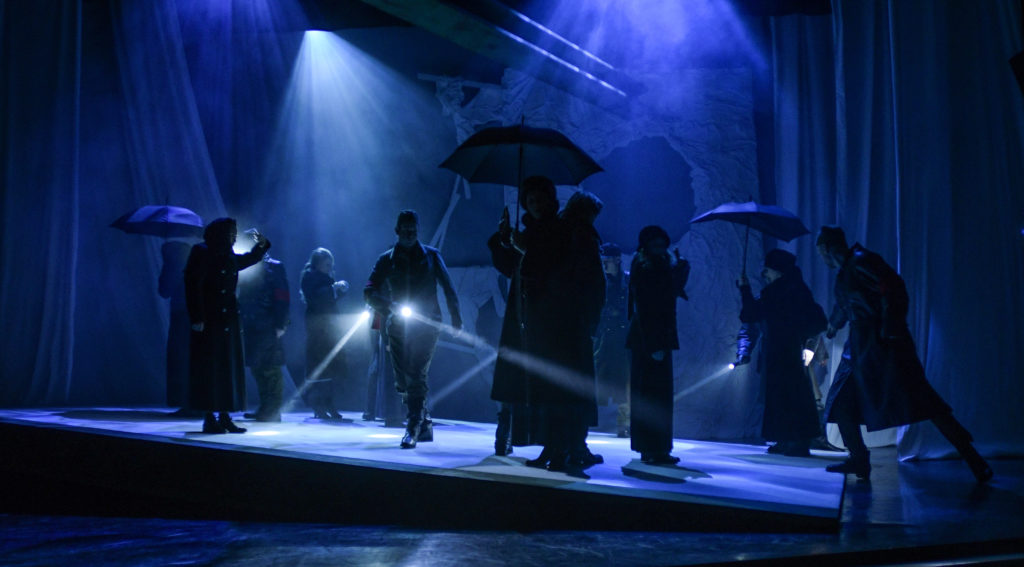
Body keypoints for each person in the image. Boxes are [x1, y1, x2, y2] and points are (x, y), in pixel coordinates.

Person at [816, 226, 992, 482]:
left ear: (827, 249)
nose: (822, 259)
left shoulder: (863, 261)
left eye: (821, 252)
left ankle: (975, 459)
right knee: (842, 403)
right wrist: (833, 325)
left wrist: (889, 330)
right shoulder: (846, 272)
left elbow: (894, 289)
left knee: (925, 402)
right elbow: (847, 305)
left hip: (883, 346)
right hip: (860, 349)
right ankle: (859, 460)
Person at [365, 210, 463, 449]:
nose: (409, 234)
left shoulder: (432, 256)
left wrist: (456, 318)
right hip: (398, 325)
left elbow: (448, 287)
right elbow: (369, 290)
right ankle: (424, 419)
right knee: (402, 378)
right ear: (397, 231)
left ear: (418, 231)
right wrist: (388, 306)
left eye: (413, 230)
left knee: (416, 372)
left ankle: (413, 425)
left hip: (427, 323)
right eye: (405, 230)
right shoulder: (386, 259)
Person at [487, 177, 562, 457]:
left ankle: (546, 438)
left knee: (540, 377)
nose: (536, 205)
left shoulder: (558, 230)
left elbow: (552, 267)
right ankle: (507, 429)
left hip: (545, 315)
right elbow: (510, 268)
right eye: (530, 201)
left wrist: (525, 250)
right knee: (512, 373)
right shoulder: (527, 232)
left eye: (540, 199)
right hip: (520, 310)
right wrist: (504, 240)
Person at [736, 249, 827, 457]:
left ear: (777, 270)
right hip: (791, 349)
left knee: (783, 395)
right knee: (792, 394)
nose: (765, 274)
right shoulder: (798, 289)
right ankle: (792, 439)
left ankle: (791, 440)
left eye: (767, 269)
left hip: (780, 350)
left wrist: (744, 289)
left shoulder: (776, 292)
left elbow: (749, 314)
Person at [184, 218, 270, 434]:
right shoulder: (202, 251)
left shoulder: (228, 254)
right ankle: (209, 417)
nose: (233, 237)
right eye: (230, 233)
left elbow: (247, 260)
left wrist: (261, 245)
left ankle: (224, 416)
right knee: (209, 369)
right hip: (210, 319)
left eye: (235, 233)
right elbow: (192, 285)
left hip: (228, 319)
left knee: (227, 369)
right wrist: (197, 317)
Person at [552, 190, 606, 471]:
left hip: (558, 322)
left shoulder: (558, 233)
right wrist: (593, 320)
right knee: (580, 386)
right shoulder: (585, 236)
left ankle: (561, 447)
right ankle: (577, 447)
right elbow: (594, 283)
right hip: (578, 322)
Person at [627, 225, 689, 464]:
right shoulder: (644, 267)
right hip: (648, 340)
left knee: (659, 397)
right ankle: (650, 448)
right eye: (655, 244)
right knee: (649, 396)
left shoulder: (660, 265)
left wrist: (680, 269)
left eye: (662, 244)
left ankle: (658, 448)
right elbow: (645, 308)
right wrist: (653, 345)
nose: (660, 248)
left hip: (657, 339)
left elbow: (670, 294)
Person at [238, 229, 290, 422]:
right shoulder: (247, 266)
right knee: (257, 366)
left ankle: (272, 409)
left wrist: (281, 323)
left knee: (270, 367)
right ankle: (265, 407)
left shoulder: (274, 267)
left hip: (268, 323)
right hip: (251, 322)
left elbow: (282, 296)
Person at [300, 247, 349, 420]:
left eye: (331, 264)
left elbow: (330, 300)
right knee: (318, 366)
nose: (330, 267)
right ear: (317, 263)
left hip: (329, 327)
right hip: (318, 328)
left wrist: (339, 291)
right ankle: (318, 405)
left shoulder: (326, 278)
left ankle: (329, 404)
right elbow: (316, 299)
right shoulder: (309, 277)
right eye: (326, 264)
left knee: (331, 367)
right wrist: (333, 288)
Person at [595, 242, 631, 438]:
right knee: (594, 377)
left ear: (617, 260)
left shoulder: (627, 281)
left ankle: (624, 424)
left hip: (622, 338)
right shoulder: (599, 281)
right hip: (603, 337)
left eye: (607, 260)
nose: (604, 264)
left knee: (625, 382)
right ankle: (583, 422)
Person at [159, 239, 195, 415]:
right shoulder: (196, 261)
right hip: (196, 315)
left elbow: (164, 290)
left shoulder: (173, 266)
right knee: (191, 359)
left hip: (183, 315)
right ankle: (194, 402)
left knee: (182, 359)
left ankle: (188, 402)